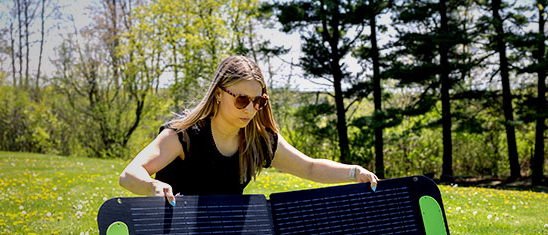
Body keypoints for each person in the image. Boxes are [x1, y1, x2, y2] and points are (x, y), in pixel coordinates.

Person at [119, 56, 378, 206]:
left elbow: (308, 167)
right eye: (242, 99)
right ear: (219, 94)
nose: (251, 109)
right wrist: (154, 187)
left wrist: (354, 172)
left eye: (259, 101)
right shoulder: (185, 135)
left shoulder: (259, 139)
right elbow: (129, 175)